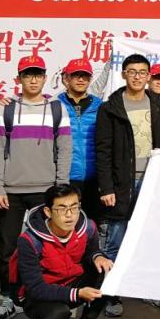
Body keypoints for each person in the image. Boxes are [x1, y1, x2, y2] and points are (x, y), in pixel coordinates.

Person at [0, 55, 72, 319]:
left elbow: (65, 149)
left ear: (45, 78)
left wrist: (60, 187)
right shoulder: (6, 109)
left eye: (37, 74)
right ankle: (8, 299)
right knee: (8, 249)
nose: (33, 80)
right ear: (19, 78)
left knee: (45, 248)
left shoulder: (57, 108)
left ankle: (42, 296)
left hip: (45, 190)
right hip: (10, 192)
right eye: (27, 75)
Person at [94, 53, 160, 318]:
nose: (137, 76)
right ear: (124, 74)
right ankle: (110, 293)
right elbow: (102, 150)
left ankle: (146, 288)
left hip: (152, 181)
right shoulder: (110, 108)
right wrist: (106, 187)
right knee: (115, 238)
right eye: (132, 71)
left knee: (148, 238)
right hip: (121, 183)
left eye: (142, 72)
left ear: (149, 76)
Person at [16, 184, 112, 319]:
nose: (69, 215)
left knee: (109, 274)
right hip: (41, 294)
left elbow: (91, 251)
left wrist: (98, 257)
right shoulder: (29, 240)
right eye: (62, 209)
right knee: (57, 314)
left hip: (72, 282)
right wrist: (77, 293)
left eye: (74, 207)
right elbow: (35, 288)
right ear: (48, 212)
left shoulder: (88, 227)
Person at [58, 58, 102, 221]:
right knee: (66, 223)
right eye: (76, 75)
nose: (81, 79)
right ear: (67, 78)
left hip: (94, 177)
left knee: (92, 225)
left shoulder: (100, 105)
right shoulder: (54, 105)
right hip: (65, 176)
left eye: (85, 76)